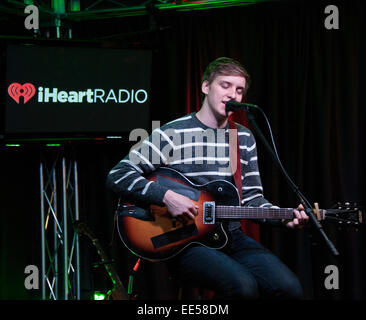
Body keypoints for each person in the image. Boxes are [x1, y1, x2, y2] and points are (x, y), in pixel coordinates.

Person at [106, 57, 309, 299]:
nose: (232, 94)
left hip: (230, 236)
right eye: (225, 85)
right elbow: (118, 174)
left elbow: (253, 199)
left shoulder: (242, 137)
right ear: (205, 87)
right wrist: (167, 197)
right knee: (243, 287)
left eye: (239, 90)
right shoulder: (173, 132)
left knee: (289, 288)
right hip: (184, 242)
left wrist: (282, 219)